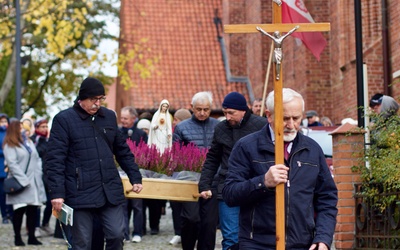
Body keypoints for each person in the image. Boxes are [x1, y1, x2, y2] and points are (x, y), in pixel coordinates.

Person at [222, 88, 338, 249]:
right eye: (284, 118)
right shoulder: (247, 147)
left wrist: (323, 238)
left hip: (302, 243)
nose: (291, 125)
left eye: (296, 118)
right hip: (257, 243)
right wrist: (263, 182)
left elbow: (327, 198)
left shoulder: (312, 150)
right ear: (269, 115)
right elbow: (230, 193)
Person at [46, 77, 143, 250]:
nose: (97, 103)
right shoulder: (64, 119)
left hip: (108, 190)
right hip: (79, 192)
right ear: (81, 98)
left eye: (101, 99)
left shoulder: (109, 116)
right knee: (82, 243)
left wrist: (135, 177)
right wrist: (57, 193)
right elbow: (55, 159)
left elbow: (122, 150)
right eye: (93, 99)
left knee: (116, 235)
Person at [199, 92, 266, 250]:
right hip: (227, 187)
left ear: (243, 110)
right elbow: (213, 158)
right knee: (230, 237)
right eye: (225, 113)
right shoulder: (221, 128)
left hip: (255, 186)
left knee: (256, 235)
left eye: (231, 113)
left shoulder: (261, 126)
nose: (227, 117)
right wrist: (204, 184)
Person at [173, 91, 220, 249]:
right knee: (191, 219)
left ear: (211, 108)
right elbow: (176, 156)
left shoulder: (218, 126)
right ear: (191, 108)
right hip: (189, 180)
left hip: (213, 179)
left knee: (209, 223)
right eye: (198, 109)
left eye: (206, 109)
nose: (202, 113)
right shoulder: (181, 128)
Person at [3, 119, 47, 246]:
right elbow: (12, 164)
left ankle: (32, 237)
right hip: (20, 183)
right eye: (21, 127)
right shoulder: (10, 144)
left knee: (33, 210)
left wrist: (38, 174)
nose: (24, 129)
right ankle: (18, 237)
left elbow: (36, 158)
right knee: (19, 211)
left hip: (33, 183)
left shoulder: (29, 142)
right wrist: (23, 180)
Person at [120, 106, 148, 243]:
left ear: (133, 119)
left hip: (137, 173)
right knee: (123, 206)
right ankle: (125, 234)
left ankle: (138, 232)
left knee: (137, 206)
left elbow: (146, 153)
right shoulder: (118, 132)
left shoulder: (141, 134)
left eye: (125, 118)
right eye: (122, 118)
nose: (123, 120)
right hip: (121, 174)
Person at [30, 119, 53, 236]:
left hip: (49, 176)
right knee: (37, 202)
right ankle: (35, 226)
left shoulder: (50, 141)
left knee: (50, 201)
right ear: (37, 128)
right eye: (42, 126)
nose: (45, 129)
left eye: (46, 126)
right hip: (37, 175)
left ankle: (45, 223)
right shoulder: (33, 141)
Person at [0, 113, 13, 224]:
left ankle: (11, 213)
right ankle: (4, 214)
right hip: (1, 167)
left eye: (5, 121)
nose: (3, 124)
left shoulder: (10, 133)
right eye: (1, 121)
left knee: (11, 191)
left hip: (11, 166)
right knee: (2, 193)